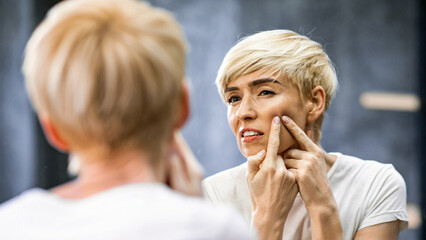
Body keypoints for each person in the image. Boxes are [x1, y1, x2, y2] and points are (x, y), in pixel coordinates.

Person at [0, 0, 253, 239]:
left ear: (53, 130)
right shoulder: (217, 229)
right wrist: (196, 215)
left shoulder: (10, 225)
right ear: (183, 106)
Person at [202, 29, 409, 239]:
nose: (243, 112)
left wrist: (323, 208)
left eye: (265, 92)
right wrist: (267, 219)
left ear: (315, 102)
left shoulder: (375, 184)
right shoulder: (211, 195)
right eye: (233, 98)